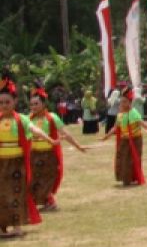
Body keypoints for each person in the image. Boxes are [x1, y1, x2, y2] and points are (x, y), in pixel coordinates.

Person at [0, 74, 55, 238]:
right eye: (1, 102)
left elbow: (34, 130)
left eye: (7, 102)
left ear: (15, 102)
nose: (4, 105)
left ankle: (17, 227)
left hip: (16, 164)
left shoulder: (22, 119)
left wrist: (49, 138)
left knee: (15, 195)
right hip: (1, 163)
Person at [27, 85, 88, 212]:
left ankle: (50, 202)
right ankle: (44, 202)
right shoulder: (28, 119)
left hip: (49, 155)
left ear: (44, 104)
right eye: (31, 104)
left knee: (46, 179)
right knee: (34, 178)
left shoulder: (52, 118)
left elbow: (65, 134)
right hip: (34, 154)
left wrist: (78, 146)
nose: (33, 107)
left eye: (36, 104)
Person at [100, 87, 147, 186]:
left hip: (135, 140)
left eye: (124, 102)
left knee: (133, 159)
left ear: (129, 103)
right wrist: (106, 137)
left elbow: (142, 124)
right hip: (124, 140)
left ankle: (132, 178)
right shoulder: (120, 115)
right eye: (121, 102)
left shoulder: (133, 113)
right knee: (123, 159)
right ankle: (125, 178)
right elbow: (114, 128)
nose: (122, 104)